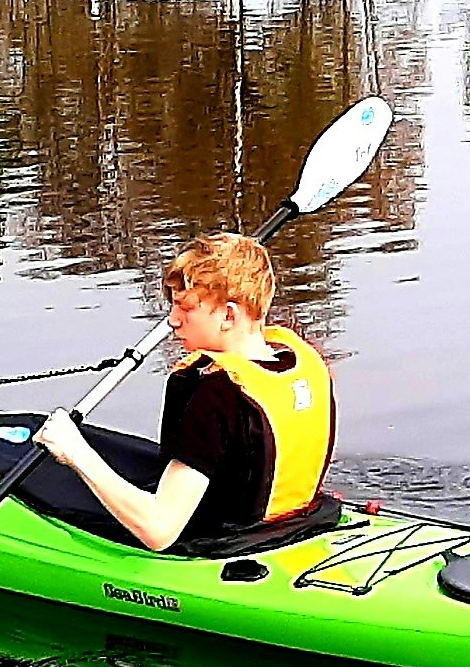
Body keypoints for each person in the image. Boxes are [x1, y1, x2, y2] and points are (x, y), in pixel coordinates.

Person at [32, 232, 334, 553]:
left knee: (59, 472)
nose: (172, 321)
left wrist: (75, 452)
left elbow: (159, 530)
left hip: (228, 544)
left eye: (184, 308)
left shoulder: (217, 394)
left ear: (229, 315)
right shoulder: (302, 360)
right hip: (298, 521)